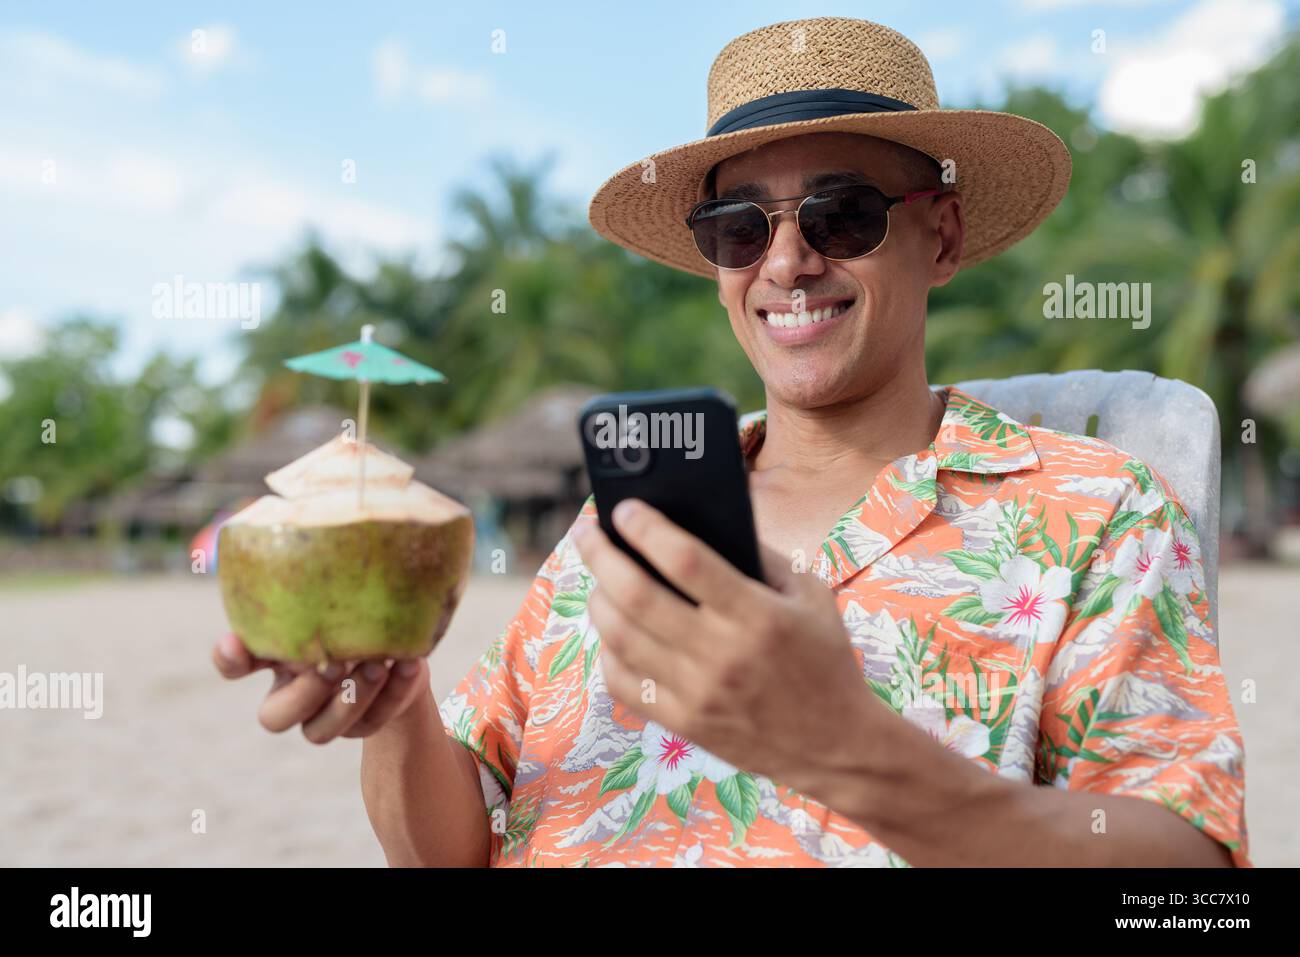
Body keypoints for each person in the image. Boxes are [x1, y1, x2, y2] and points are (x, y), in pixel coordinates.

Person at [213, 16, 1248, 867]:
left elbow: (1181, 870)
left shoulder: (1093, 510)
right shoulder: (624, 526)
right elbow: (454, 848)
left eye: (841, 216)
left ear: (942, 234)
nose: (786, 262)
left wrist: (851, 755)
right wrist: (396, 703)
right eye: (740, 228)